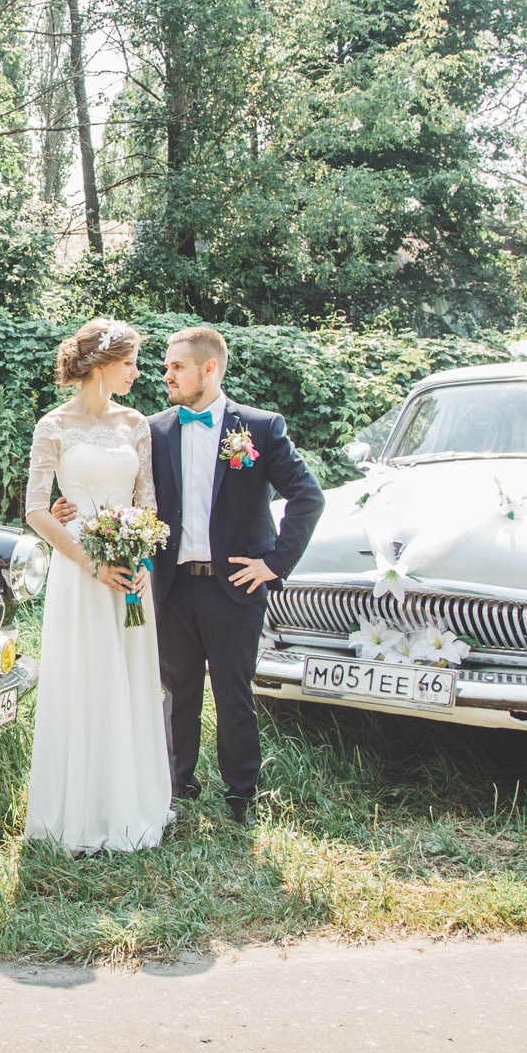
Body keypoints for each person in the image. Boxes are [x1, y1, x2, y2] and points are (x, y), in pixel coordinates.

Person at [53, 327, 325, 825]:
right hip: (170, 585)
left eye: (176, 367)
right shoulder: (151, 430)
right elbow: (129, 497)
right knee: (176, 690)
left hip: (236, 584)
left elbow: (309, 497)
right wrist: (71, 509)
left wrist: (273, 563)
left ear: (209, 369)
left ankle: (241, 794)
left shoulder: (260, 429)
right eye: (164, 366)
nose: (166, 375)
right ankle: (176, 785)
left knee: (233, 691)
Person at [20, 318, 175, 854]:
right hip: (80, 568)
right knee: (86, 675)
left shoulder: (135, 424)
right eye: (131, 363)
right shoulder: (53, 425)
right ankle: (81, 810)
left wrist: (140, 556)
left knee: (130, 676)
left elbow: (148, 502)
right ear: (104, 364)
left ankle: (132, 801)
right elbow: (37, 510)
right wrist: (92, 562)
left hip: (130, 566)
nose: (137, 372)